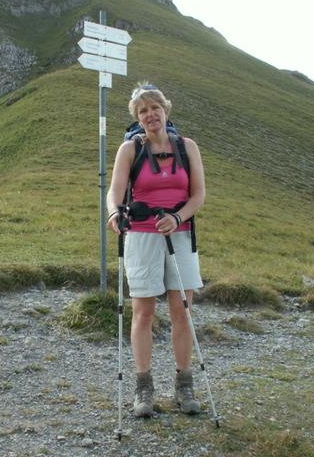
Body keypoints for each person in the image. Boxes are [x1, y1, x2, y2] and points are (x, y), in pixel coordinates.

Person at [107, 82, 206, 417]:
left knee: (182, 311)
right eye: (143, 111)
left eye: (154, 108)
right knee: (143, 312)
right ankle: (143, 389)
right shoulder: (129, 150)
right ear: (138, 117)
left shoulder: (187, 147)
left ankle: (184, 385)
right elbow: (115, 193)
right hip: (142, 235)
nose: (150, 115)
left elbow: (198, 196)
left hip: (181, 235)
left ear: (166, 110)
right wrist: (113, 213)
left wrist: (177, 217)